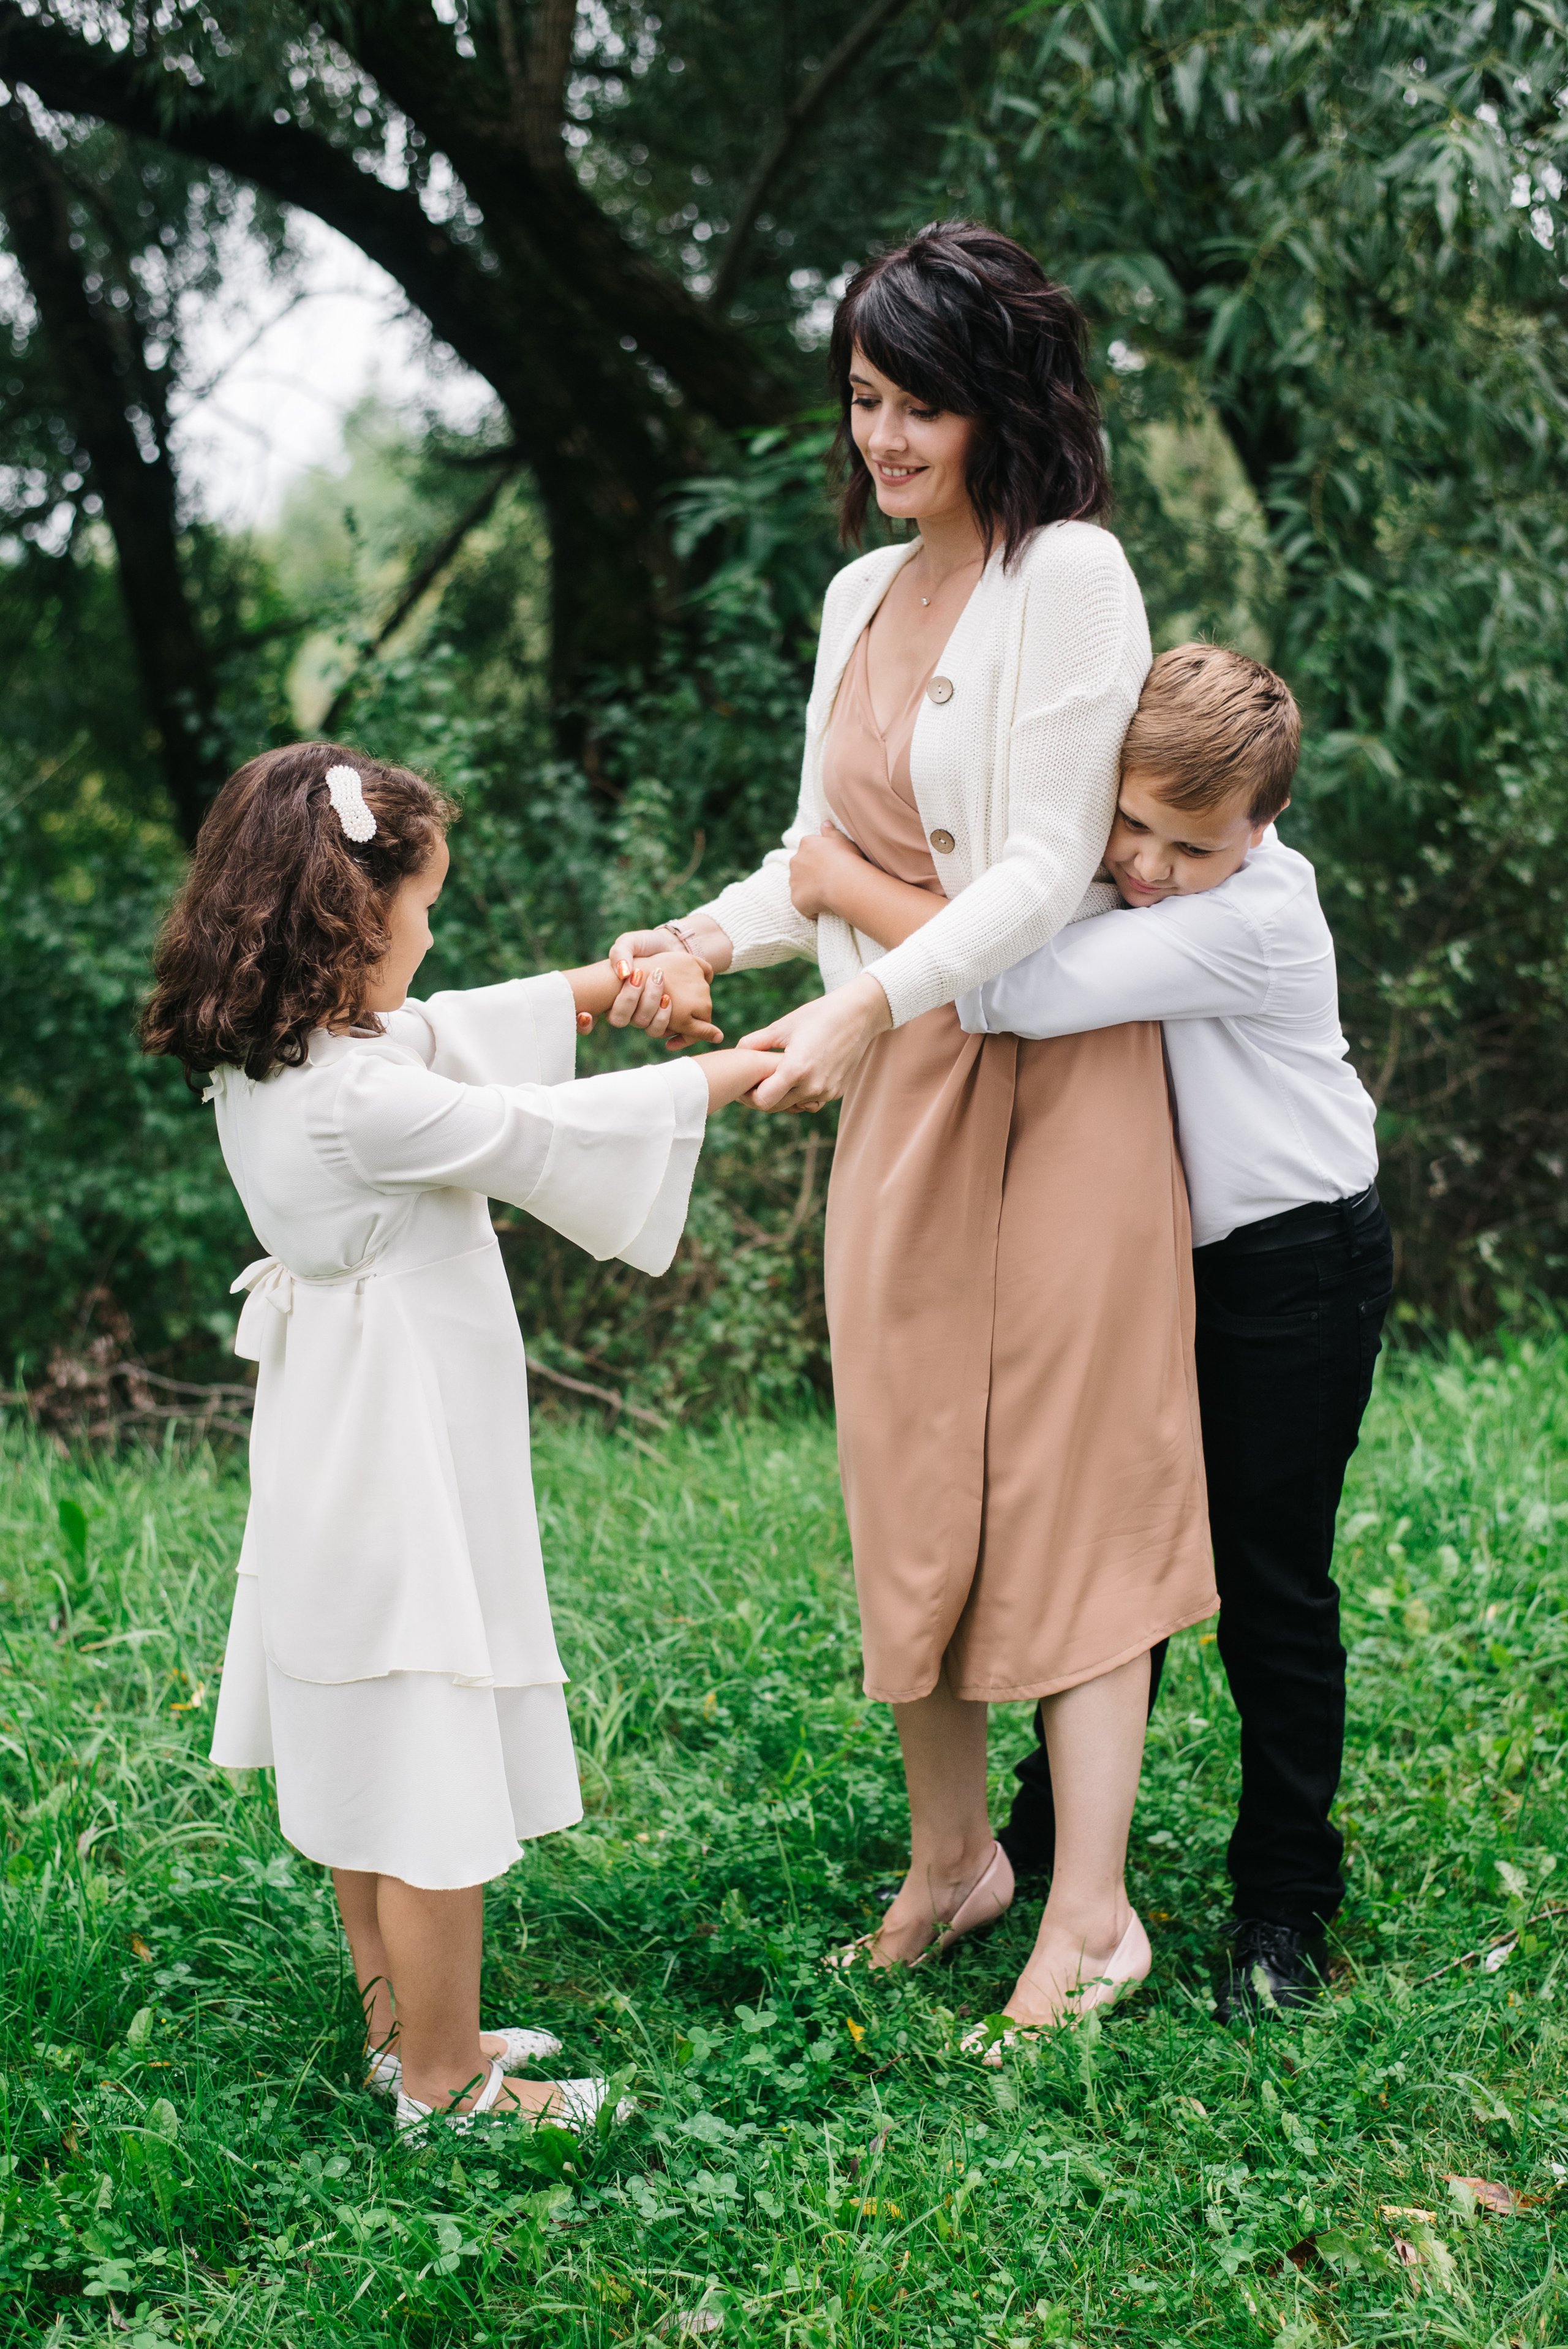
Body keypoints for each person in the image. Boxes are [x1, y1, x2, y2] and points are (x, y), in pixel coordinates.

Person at [606, 222, 1215, 2043]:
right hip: (903, 1095)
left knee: (1068, 1476)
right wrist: (701, 936)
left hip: (1056, 1085)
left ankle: (1093, 1908)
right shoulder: (857, 598)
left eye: (923, 403)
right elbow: (809, 855)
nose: (886, 437)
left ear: (1002, 402)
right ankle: (957, 1859)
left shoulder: (1075, 576)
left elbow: (1039, 871)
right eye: (868, 398)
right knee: (907, 1468)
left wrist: (870, 990)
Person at [140, 744, 777, 2131]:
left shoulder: (287, 1057)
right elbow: (526, 1125)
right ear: (353, 920)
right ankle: (447, 2081)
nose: (432, 933)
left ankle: (405, 2032)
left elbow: (461, 1027)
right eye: (422, 906)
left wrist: (610, 985)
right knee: (426, 1733)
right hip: (399, 1450)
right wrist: (737, 1072)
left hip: (339, 1438)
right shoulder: (363, 1095)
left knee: (369, 1725)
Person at [802, 642, 1391, 2023]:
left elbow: (1004, 985)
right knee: (1119, 1541)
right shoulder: (1151, 869)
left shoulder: (1248, 915)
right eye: (1124, 822)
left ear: (1260, 829)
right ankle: (1049, 1846)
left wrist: (843, 884)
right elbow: (1020, 918)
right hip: (1168, 1257)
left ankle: (1285, 1896)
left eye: (1186, 845)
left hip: (1295, 1262)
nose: (1141, 864)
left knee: (1265, 1579)